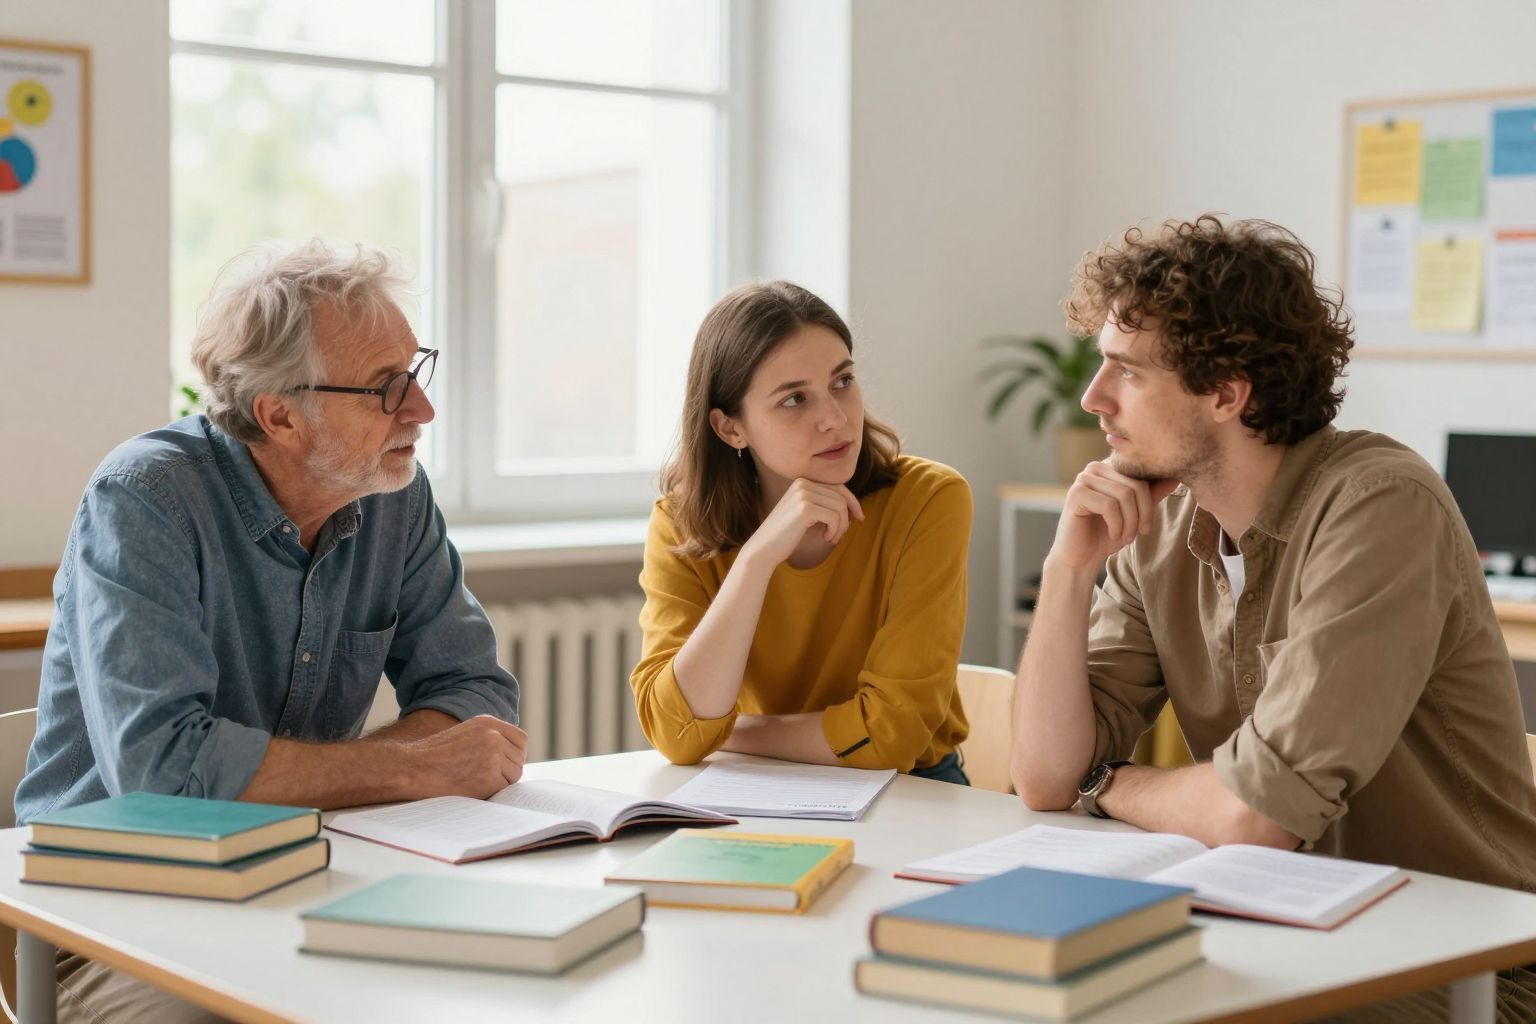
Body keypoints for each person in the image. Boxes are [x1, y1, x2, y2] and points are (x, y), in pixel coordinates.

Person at [1010, 215, 1536, 1021]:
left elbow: (1250, 815)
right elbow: (1047, 777)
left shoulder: (1379, 504)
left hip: (1464, 962)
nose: (1093, 399)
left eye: (1126, 372)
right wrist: (1068, 569)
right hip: (1282, 926)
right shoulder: (1160, 531)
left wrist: (1109, 782)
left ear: (1227, 391)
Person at [18, 240, 526, 1023]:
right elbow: (169, 776)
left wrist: (329, 774)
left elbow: (477, 698)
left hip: (314, 880)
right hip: (109, 912)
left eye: (414, 373)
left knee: (501, 985)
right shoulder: (144, 499)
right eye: (387, 390)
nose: (421, 411)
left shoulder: (394, 491)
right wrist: (413, 766)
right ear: (280, 414)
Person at [630, 281, 973, 782]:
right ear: (730, 429)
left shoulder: (928, 499)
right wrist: (756, 560)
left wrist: (729, 733)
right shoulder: (682, 523)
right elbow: (671, 729)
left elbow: (892, 734)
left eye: (842, 382)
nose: (835, 419)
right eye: (794, 400)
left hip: (911, 788)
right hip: (750, 786)